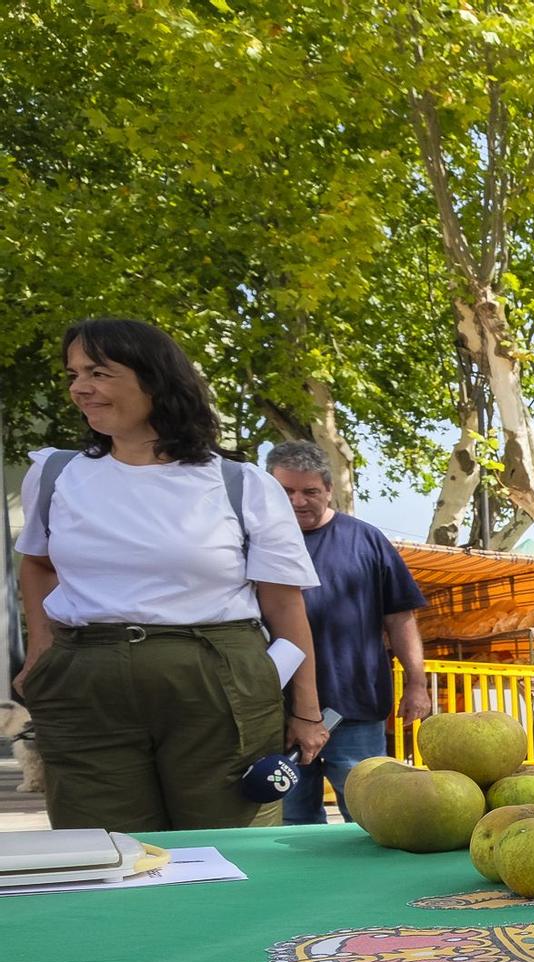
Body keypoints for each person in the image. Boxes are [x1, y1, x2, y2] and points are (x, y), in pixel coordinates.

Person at [14, 318, 326, 832]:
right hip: (84, 682)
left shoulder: (241, 484)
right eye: (73, 375)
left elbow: (284, 604)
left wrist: (308, 712)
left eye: (98, 372)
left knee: (232, 847)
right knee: (106, 851)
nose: (79, 389)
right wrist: (41, 651)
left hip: (217, 683)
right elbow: (39, 564)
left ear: (155, 380)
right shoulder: (55, 475)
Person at [267, 441, 429, 824]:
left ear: (329, 490)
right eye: (286, 491)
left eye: (309, 491)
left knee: (368, 816)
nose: (297, 501)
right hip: (276, 711)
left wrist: (417, 683)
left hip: (354, 706)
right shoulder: (256, 541)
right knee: (289, 822)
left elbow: (400, 617)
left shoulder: (366, 541)